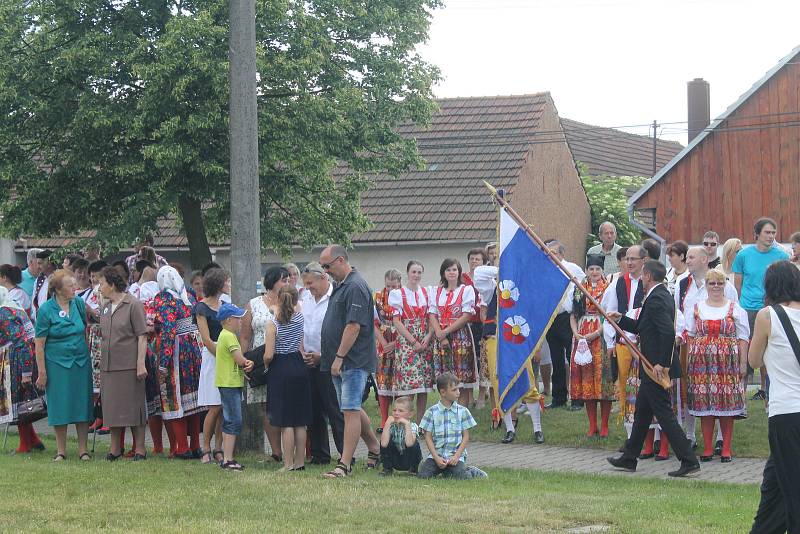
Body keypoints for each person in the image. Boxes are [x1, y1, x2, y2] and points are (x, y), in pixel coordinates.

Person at [606, 260, 700, 478]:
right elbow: (642, 327)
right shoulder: (659, 296)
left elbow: (667, 333)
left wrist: (662, 364)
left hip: (656, 367)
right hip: (652, 366)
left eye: (643, 276)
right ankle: (630, 457)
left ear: (648, 276)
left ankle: (689, 460)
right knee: (642, 414)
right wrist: (621, 320)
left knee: (664, 414)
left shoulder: (657, 298)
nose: (641, 280)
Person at [319, 245, 381, 478]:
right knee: (350, 407)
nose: (325, 271)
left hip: (352, 360)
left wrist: (339, 357)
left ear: (341, 260)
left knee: (350, 409)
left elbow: (354, 326)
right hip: (341, 360)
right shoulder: (341, 285)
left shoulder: (355, 286)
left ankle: (344, 464)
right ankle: (375, 448)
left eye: (327, 266)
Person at [748, 261, 800, 534]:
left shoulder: (768, 316)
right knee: (774, 485)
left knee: (792, 491)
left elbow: (754, 359)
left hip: (786, 412)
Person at [472, 262, 544, 444]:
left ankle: (537, 429)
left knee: (527, 381)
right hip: (495, 338)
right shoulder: (492, 289)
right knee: (499, 383)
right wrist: (502, 270)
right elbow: (478, 274)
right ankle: (509, 429)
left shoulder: (526, 290)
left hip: (517, 340)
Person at [675, 246, 738, 449]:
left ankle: (720, 438)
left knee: (721, 391)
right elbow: (678, 312)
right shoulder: (682, 283)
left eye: (692, 257)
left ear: (704, 259)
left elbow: (735, 315)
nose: (688, 260)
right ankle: (691, 435)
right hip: (691, 343)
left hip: (721, 347)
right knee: (692, 390)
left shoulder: (724, 284)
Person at [686, 269, 750, 462]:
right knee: (706, 406)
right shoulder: (696, 308)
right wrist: (690, 362)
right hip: (701, 364)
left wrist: (743, 363)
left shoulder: (735, 309)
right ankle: (706, 448)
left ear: (725, 286)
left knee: (726, 405)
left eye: (719, 283)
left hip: (727, 364)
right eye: (712, 283)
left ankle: (726, 449)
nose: (716, 287)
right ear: (706, 285)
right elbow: (690, 336)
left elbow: (743, 337)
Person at [34, 269, 93, 461]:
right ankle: (61, 450)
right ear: (58, 290)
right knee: (60, 405)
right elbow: (39, 344)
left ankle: (83, 450)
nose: (75, 287)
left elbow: (86, 329)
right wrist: (42, 371)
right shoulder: (45, 310)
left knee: (82, 403)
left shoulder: (78, 304)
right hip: (56, 364)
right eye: (70, 285)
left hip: (80, 361)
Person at [149, 266, 204, 459]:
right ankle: (196, 445)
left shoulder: (164, 298)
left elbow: (168, 329)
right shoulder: (187, 294)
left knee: (174, 396)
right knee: (193, 399)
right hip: (194, 348)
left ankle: (182, 447)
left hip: (177, 350)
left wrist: (163, 362)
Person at [734, 217, 790, 401]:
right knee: (746, 353)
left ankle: (768, 395)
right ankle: (740, 399)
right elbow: (738, 285)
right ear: (757, 234)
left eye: (773, 233)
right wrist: (739, 308)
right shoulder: (743, 255)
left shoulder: (781, 256)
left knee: (771, 352)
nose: (771, 236)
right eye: (767, 232)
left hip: (772, 308)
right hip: (748, 309)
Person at [96, 266, 149, 461]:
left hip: (129, 364)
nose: (99, 287)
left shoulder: (133, 304)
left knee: (134, 408)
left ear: (111, 284)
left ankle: (141, 449)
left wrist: (140, 363)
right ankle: (115, 448)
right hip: (109, 366)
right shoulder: (106, 306)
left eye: (101, 283)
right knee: (112, 408)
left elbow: (142, 335)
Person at [239, 266, 288, 462]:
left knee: (284, 406)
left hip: (283, 357)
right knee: (265, 407)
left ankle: (291, 449)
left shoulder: (290, 303)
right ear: (272, 281)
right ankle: (276, 452)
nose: (287, 283)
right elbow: (244, 336)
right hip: (259, 361)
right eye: (283, 280)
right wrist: (243, 361)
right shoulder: (253, 304)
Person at [300, 262, 345, 465]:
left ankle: (346, 454)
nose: (309, 287)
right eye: (306, 284)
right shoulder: (305, 299)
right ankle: (320, 454)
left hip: (329, 361)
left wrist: (322, 355)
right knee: (313, 410)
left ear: (323, 278)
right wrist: (302, 351)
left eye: (311, 283)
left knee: (334, 409)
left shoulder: (336, 298)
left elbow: (339, 332)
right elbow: (301, 327)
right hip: (308, 360)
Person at [265, 285, 310, 471]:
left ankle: (288, 463)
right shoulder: (299, 318)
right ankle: (300, 461)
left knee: (286, 421)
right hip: (299, 365)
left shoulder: (272, 323)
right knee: (299, 419)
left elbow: (268, 354)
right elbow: (300, 343)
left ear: (278, 298)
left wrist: (265, 364)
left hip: (281, 367)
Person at [570, 255, 614, 437]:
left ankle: (604, 424)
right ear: (586, 270)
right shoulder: (579, 287)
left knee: (603, 378)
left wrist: (596, 333)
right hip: (582, 335)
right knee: (586, 378)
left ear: (602, 270)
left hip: (602, 334)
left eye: (597, 269)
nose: (594, 272)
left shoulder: (609, 288)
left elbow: (610, 315)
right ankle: (592, 425)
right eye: (591, 269)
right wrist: (575, 332)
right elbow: (573, 314)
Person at [601, 245, 646, 425]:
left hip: (643, 342)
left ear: (644, 261)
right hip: (622, 342)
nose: (629, 262)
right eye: (627, 259)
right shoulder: (618, 283)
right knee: (624, 385)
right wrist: (610, 341)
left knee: (643, 386)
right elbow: (609, 313)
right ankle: (629, 429)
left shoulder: (650, 281)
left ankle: (648, 430)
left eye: (633, 259)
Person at [388, 261, 434, 421]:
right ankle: (403, 420)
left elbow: (431, 318)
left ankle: (420, 423)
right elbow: (397, 322)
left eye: (419, 272)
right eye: (413, 272)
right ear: (408, 273)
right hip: (408, 341)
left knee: (422, 385)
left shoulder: (427, 293)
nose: (416, 275)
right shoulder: (398, 294)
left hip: (425, 339)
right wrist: (413, 341)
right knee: (408, 385)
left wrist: (428, 338)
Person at [428, 258, 478, 407]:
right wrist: (439, 333)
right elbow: (432, 314)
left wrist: (446, 331)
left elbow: (467, 315)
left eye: (454, 269)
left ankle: (460, 414)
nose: (451, 272)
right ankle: (446, 411)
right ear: (443, 272)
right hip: (441, 336)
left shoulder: (466, 289)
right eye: (448, 269)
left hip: (460, 336)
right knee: (445, 378)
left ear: (459, 272)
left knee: (460, 379)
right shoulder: (436, 291)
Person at [0, 287, 44, 453]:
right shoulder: (14, 307)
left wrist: (26, 372)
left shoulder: (4, 312)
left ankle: (25, 444)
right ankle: (32, 439)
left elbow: (22, 341)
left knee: (19, 403)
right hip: (20, 359)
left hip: (16, 361)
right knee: (24, 403)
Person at [545, 239, 586, 410]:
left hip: (567, 317)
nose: (550, 255)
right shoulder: (545, 270)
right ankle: (558, 397)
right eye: (548, 252)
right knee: (556, 359)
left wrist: (578, 311)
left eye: (553, 252)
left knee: (572, 357)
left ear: (561, 254)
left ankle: (577, 398)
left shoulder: (572, 268)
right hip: (551, 318)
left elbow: (583, 286)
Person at [196, 268, 229, 464]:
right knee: (214, 405)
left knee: (223, 406)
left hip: (225, 354)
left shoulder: (225, 305)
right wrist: (224, 355)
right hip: (213, 356)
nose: (229, 283)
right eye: (226, 281)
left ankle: (219, 447)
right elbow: (206, 340)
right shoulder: (201, 308)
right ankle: (205, 447)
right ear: (218, 283)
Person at [214, 302, 253, 471]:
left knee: (229, 420)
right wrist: (249, 362)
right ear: (229, 320)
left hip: (227, 382)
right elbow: (239, 359)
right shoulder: (229, 337)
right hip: (229, 384)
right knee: (234, 421)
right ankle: (228, 459)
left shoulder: (224, 335)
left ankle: (227, 457)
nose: (241, 321)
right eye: (238, 318)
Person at [417, 373, 477, 479]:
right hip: (436, 456)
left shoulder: (463, 411)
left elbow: (466, 436)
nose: (458, 392)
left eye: (458, 389)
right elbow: (428, 437)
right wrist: (436, 458)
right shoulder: (431, 412)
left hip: (455, 456)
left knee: (462, 477)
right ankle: (443, 469)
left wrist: (457, 456)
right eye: (454, 390)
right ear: (443, 392)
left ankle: (471, 471)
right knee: (423, 475)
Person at [374, 268, 401, 429]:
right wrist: (384, 342)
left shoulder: (404, 296)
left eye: (394, 286)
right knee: (383, 380)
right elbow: (373, 322)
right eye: (388, 286)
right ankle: (384, 420)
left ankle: (398, 417)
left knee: (398, 381)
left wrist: (396, 342)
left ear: (399, 284)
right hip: (382, 340)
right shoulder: (377, 297)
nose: (391, 289)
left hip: (400, 339)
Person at [462, 248, 489, 407]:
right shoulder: (462, 278)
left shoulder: (486, 279)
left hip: (483, 322)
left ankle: (482, 394)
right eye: (471, 258)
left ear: (483, 262)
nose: (474, 261)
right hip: (467, 322)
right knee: (468, 358)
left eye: (477, 259)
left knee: (482, 358)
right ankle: (469, 395)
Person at [379, 396, 422, 476]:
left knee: (415, 443)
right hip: (395, 458)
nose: (396, 413)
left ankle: (413, 470)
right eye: (394, 410)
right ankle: (387, 468)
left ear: (410, 414)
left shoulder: (413, 426)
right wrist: (387, 425)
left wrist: (407, 425)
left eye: (400, 411)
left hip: (408, 459)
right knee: (384, 439)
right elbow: (383, 444)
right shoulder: (391, 426)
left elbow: (409, 444)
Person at [31, 250, 56, 321]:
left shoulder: (59, 279)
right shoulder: (39, 280)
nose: (38, 267)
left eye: (40, 263)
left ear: (49, 264)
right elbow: (34, 300)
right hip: (40, 320)